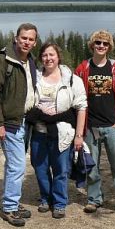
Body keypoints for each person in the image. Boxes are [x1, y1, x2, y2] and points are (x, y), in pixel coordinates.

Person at [75, 30, 115, 217]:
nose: (101, 46)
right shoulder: (83, 68)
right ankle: (94, 199)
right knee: (92, 166)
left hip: (112, 126)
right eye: (98, 42)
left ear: (109, 47)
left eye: (105, 43)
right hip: (90, 126)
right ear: (92, 44)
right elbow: (77, 97)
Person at [0, 23, 38, 227]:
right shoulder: (3, 60)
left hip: (24, 121)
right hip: (9, 123)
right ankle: (9, 208)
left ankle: (12, 202)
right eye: (24, 38)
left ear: (35, 42)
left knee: (13, 165)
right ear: (16, 38)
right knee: (17, 166)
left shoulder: (30, 60)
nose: (27, 42)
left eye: (31, 39)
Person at [28, 43, 87, 219]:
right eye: (45, 55)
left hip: (63, 132)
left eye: (51, 54)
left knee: (61, 169)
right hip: (39, 131)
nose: (48, 58)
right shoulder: (34, 78)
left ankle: (60, 202)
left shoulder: (72, 79)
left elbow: (81, 107)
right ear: (41, 58)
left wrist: (79, 135)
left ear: (58, 57)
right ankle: (46, 198)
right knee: (40, 167)